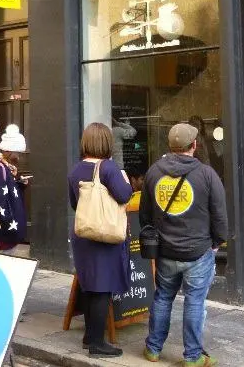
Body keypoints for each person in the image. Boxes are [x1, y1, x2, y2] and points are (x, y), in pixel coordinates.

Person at [140, 123, 228, 367]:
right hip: (198, 251)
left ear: (171, 145)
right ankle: (192, 357)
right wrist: (218, 242)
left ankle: (153, 349)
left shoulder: (154, 172)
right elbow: (219, 214)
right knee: (194, 302)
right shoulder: (207, 174)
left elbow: (145, 216)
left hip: (166, 251)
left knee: (163, 297)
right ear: (194, 146)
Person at [67, 122, 133, 358]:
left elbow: (75, 204)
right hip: (105, 235)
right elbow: (125, 194)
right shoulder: (108, 168)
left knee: (90, 287)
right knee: (103, 288)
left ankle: (89, 336)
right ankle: (97, 344)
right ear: (107, 142)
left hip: (83, 235)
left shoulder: (75, 170)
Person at [0, 124, 29, 255]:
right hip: (8, 228)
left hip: (10, 227)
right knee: (7, 255)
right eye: (18, 153)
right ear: (10, 151)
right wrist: (9, 223)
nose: (19, 157)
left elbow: (7, 190)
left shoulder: (6, 167)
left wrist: (20, 184)